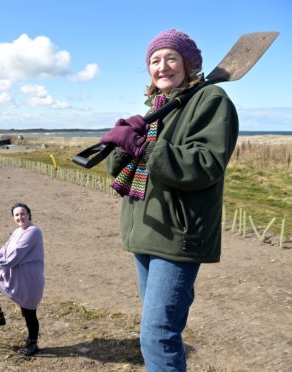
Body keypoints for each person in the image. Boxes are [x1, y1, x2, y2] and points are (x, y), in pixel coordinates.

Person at [102, 29, 239, 371]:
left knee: (157, 334)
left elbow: (205, 165)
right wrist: (121, 143)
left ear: (189, 64)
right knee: (159, 331)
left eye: (171, 58)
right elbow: (121, 168)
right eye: (154, 60)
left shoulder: (212, 100)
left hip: (178, 235)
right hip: (147, 232)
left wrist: (144, 146)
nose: (162, 66)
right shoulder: (159, 110)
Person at [0, 202, 45, 356]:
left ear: (29, 214)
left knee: (29, 313)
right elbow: (5, 248)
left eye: (22, 214)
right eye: (16, 215)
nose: (20, 217)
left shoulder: (33, 231)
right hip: (12, 276)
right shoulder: (17, 232)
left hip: (28, 280)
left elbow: (16, 255)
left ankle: (32, 343)